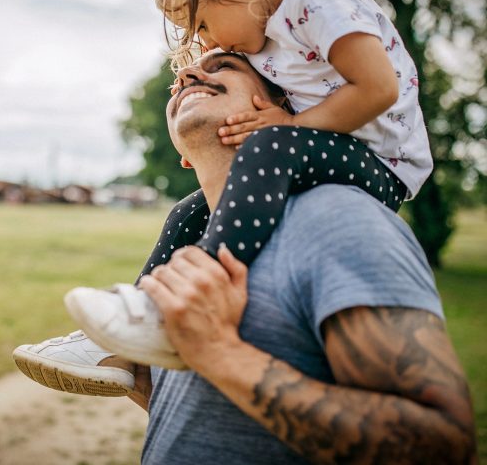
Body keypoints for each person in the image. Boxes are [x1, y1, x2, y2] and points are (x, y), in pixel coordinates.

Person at [61, 0, 434, 367]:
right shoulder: (264, 25)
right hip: (328, 149)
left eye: (201, 24)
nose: (209, 43)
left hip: (381, 163)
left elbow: (378, 89)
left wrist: (292, 127)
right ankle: (135, 325)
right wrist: (193, 81)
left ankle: (199, 294)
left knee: (270, 143)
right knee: (187, 211)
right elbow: (235, 78)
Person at [85, 50, 476, 464]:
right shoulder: (187, 242)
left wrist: (220, 353)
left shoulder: (339, 220)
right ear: (182, 153)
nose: (187, 73)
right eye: (177, 83)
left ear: (282, 108)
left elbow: (443, 446)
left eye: (224, 67)